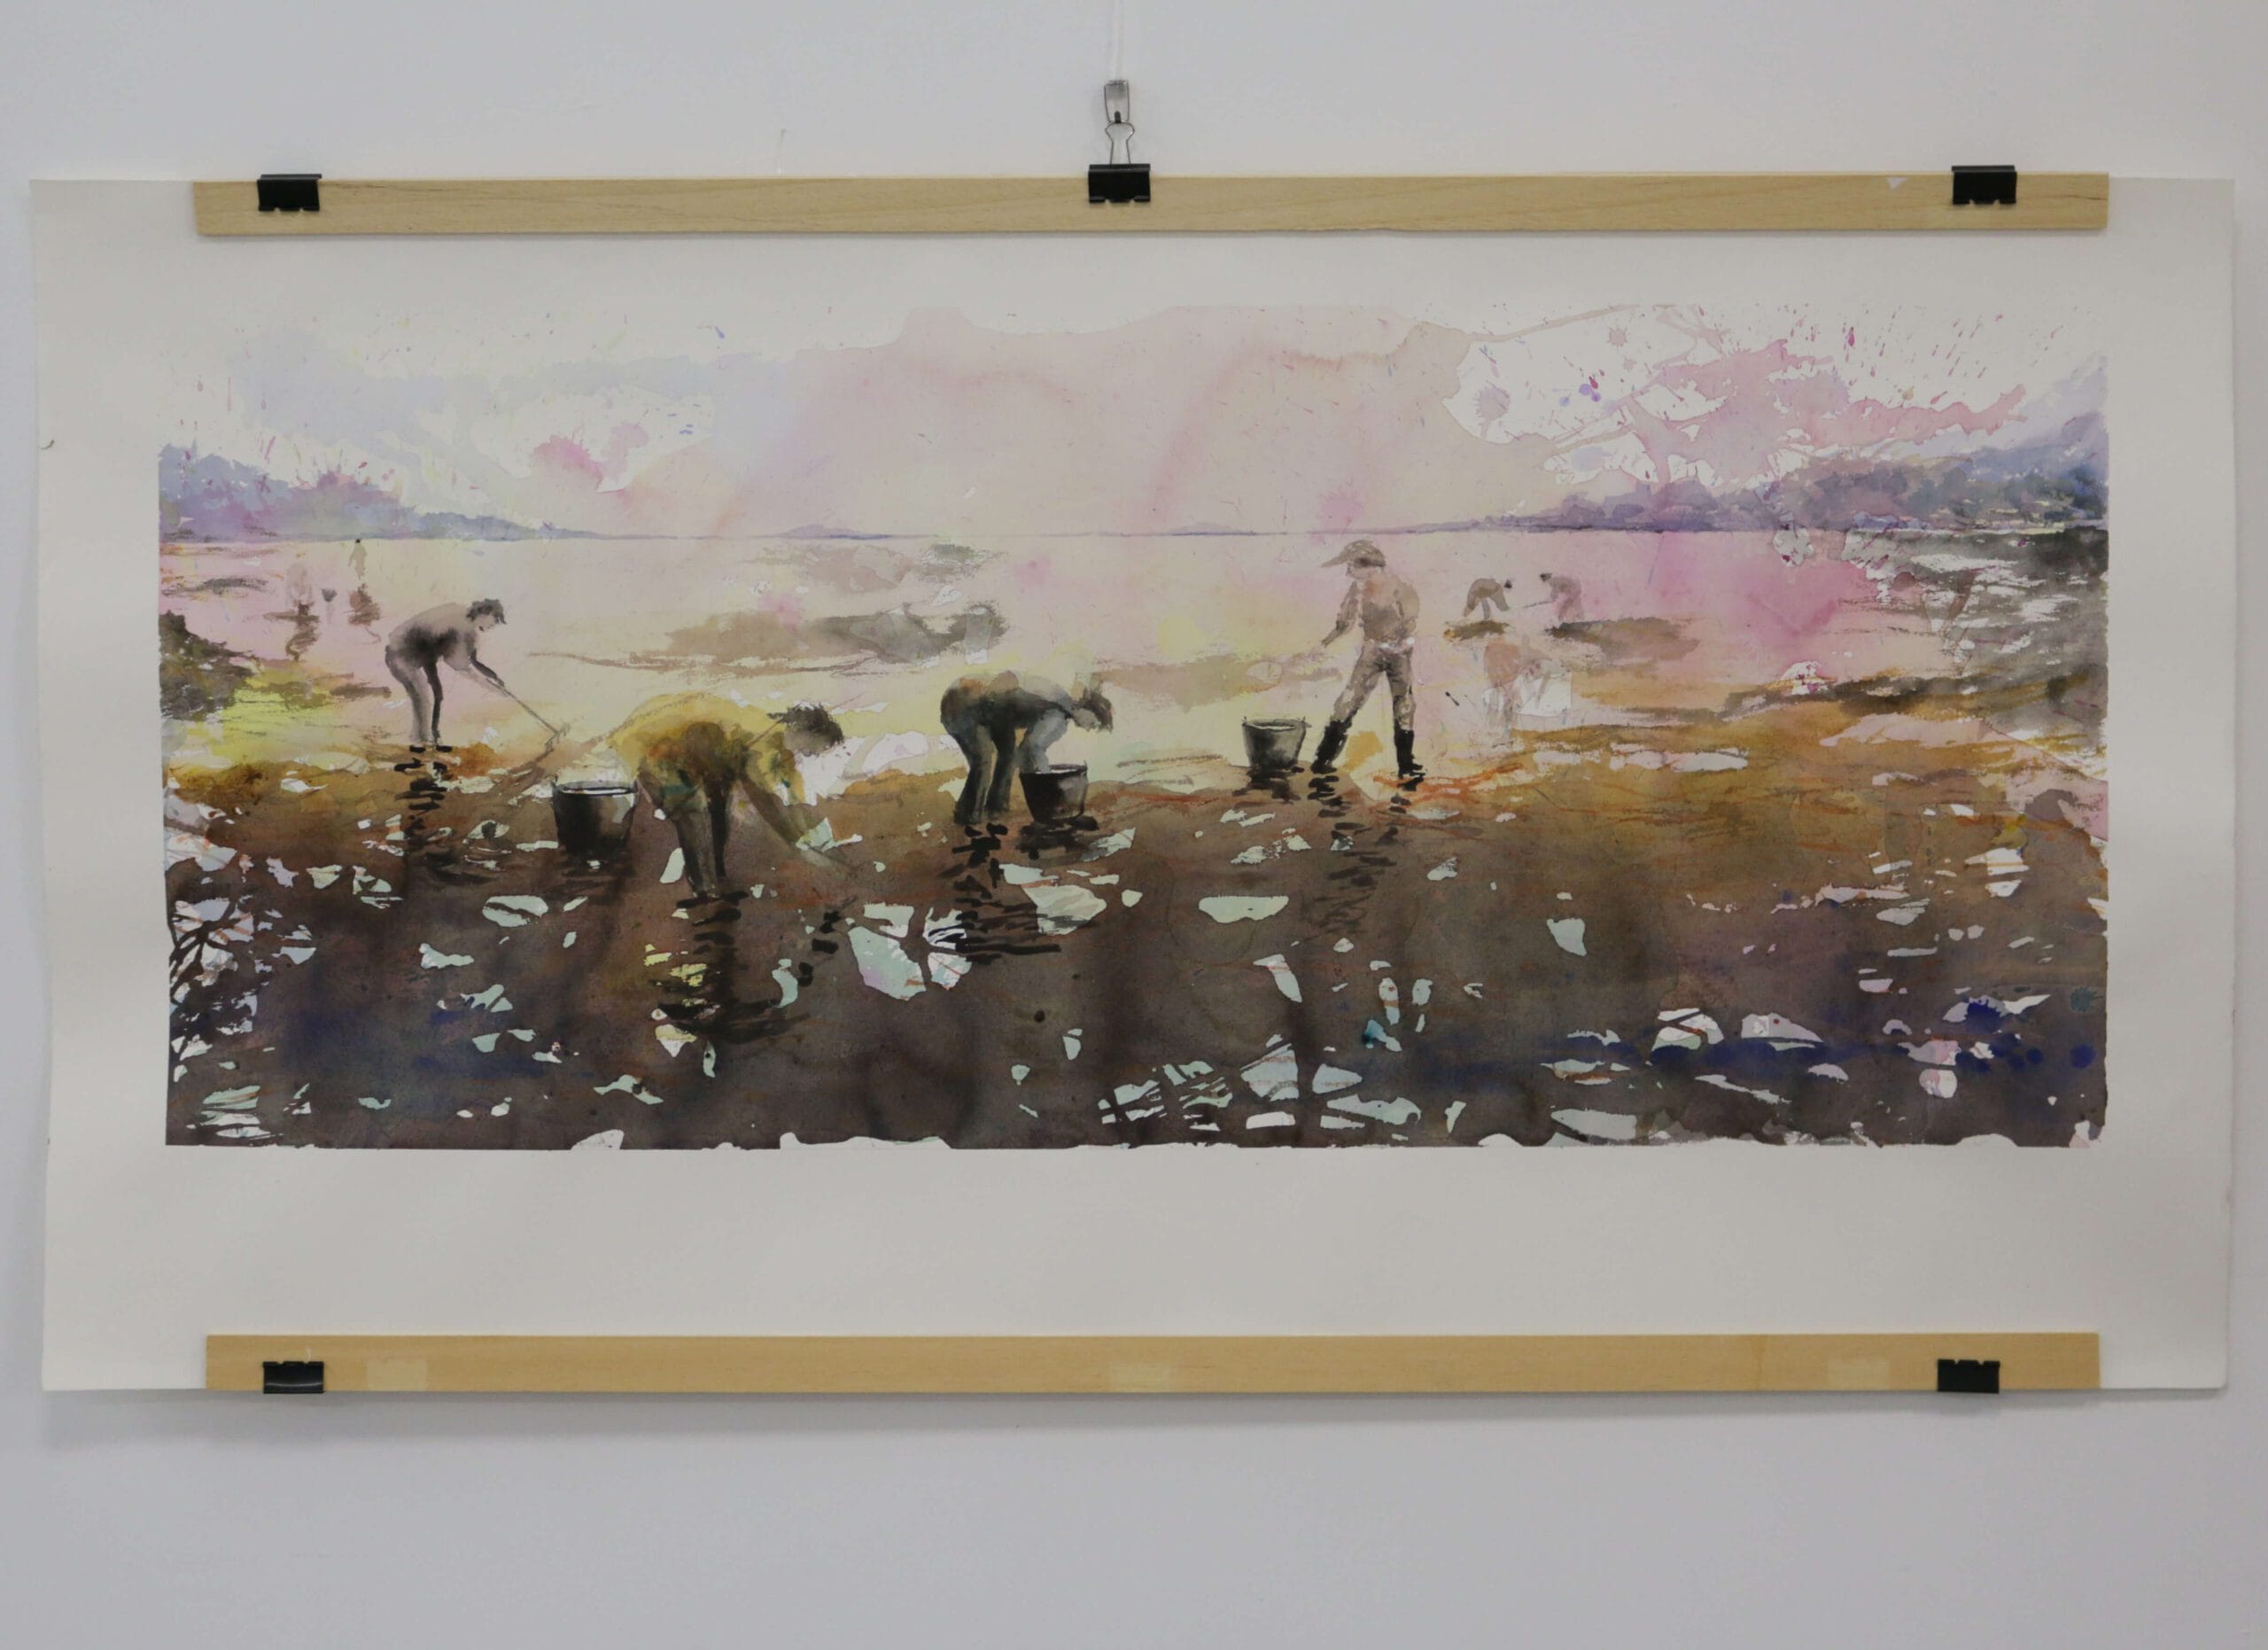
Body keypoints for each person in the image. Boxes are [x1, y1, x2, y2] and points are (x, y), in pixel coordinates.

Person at [610, 694, 849, 899]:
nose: (812, 753)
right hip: (665, 758)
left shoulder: (776, 741)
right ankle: (706, 890)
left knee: (717, 816)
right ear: (802, 729)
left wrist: (811, 841)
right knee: (694, 816)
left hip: (706, 764)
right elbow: (766, 799)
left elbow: (788, 794)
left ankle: (715, 882)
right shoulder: (765, 741)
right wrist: (802, 847)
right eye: (815, 745)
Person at [939, 672, 1113, 825]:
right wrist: (1048, 781)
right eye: (1094, 723)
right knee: (983, 759)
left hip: (998, 713)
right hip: (966, 703)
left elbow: (1030, 748)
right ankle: (969, 814)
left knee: (1008, 755)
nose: (1090, 728)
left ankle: (996, 808)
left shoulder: (1061, 715)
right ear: (1088, 709)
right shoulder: (1057, 699)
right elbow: (1007, 679)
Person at [1312, 541, 1422, 779]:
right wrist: (1324, 644)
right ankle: (1322, 760)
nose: (1348, 572)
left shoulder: (1400, 587)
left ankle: (1406, 765)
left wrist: (1402, 642)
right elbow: (1344, 622)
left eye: (1351, 566)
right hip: (1372, 651)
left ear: (1369, 566)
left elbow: (1410, 620)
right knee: (1349, 699)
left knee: (1403, 704)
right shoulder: (1357, 589)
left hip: (1399, 652)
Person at [383, 598, 510, 751]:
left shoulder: (468, 629)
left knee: (436, 694)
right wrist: (492, 688)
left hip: (423, 657)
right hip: (401, 654)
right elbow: (460, 666)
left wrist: (495, 678)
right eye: (495, 618)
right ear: (485, 613)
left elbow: (473, 661)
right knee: (423, 695)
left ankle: (431, 739)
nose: (494, 624)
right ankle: (421, 741)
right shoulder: (460, 625)